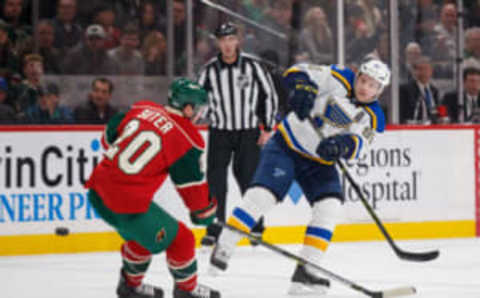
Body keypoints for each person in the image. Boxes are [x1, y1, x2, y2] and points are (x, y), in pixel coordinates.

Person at [209, 59, 390, 295]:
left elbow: (359, 144)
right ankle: (225, 243)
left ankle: (307, 271)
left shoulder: (373, 116)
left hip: (319, 163)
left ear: (380, 91)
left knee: (329, 207)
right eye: (364, 80)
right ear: (358, 76)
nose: (365, 88)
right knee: (262, 197)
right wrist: (302, 87)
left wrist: (340, 146)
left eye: (373, 86)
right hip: (286, 147)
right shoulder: (338, 76)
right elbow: (297, 71)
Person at [85, 78, 221, 298]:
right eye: (197, 109)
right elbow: (196, 201)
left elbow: (107, 138)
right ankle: (187, 291)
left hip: (97, 191)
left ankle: (130, 286)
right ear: (187, 109)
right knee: (182, 239)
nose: (198, 115)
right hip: (126, 204)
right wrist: (207, 213)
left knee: (144, 236)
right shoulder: (187, 137)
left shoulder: (142, 108)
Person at [197, 22, 278, 246]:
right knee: (215, 181)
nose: (228, 44)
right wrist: (196, 118)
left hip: (247, 131)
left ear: (238, 40)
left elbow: (269, 95)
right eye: (223, 40)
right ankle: (215, 226)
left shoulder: (253, 66)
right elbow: (200, 101)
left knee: (249, 179)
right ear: (218, 42)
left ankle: (255, 224)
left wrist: (269, 128)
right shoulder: (209, 70)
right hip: (220, 131)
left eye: (231, 39)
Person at [399, 55, 440, 124]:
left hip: (432, 129)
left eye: (426, 69)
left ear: (431, 71)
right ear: (414, 71)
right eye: (421, 69)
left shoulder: (434, 90)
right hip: (413, 128)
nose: (424, 72)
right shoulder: (406, 90)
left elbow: (437, 111)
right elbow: (402, 114)